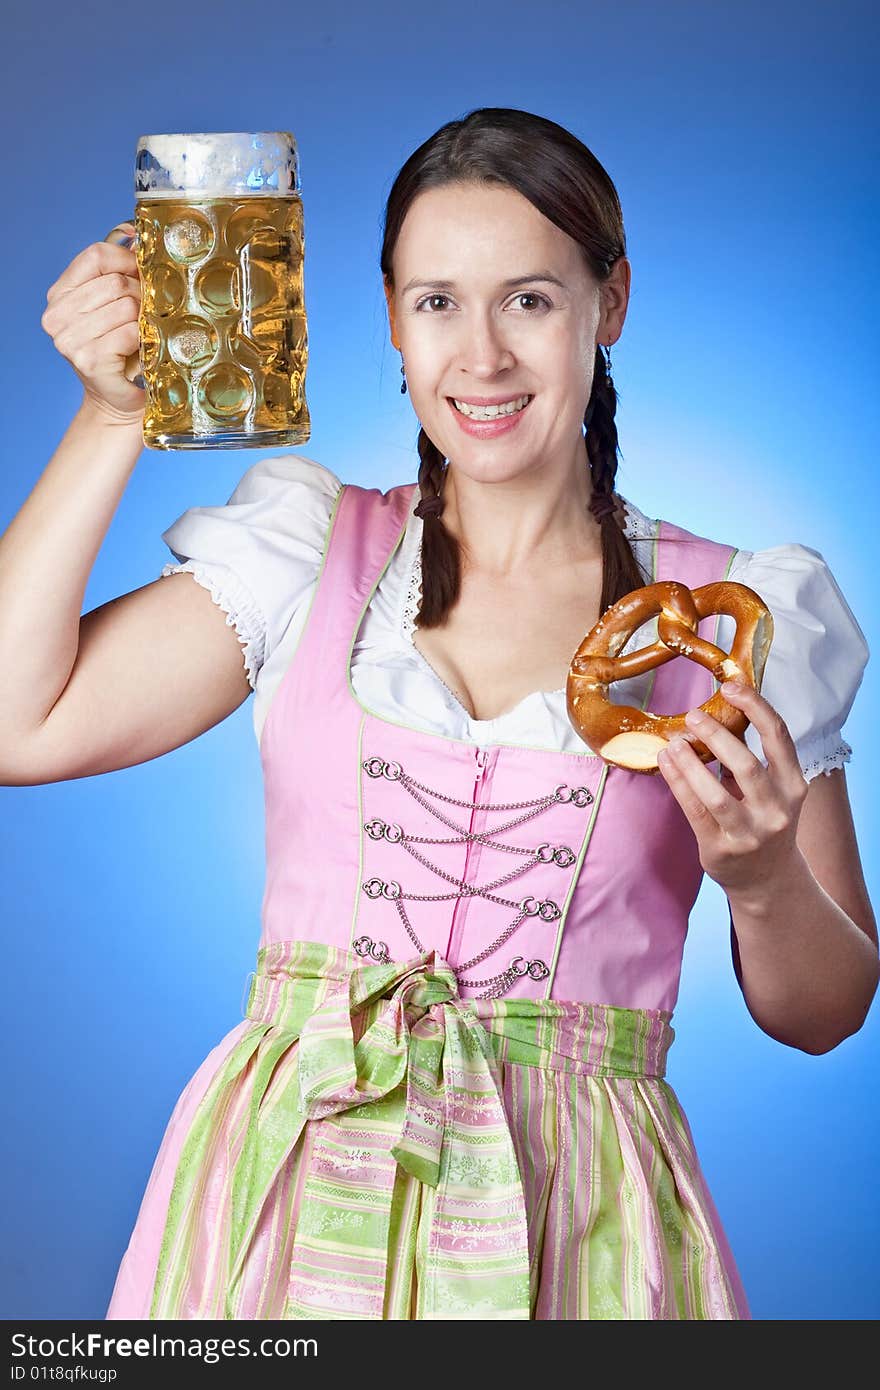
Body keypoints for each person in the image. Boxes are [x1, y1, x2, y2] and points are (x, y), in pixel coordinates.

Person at [4, 107, 876, 1321]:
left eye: (528, 299)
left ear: (607, 305)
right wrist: (112, 415)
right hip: (281, 1196)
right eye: (436, 303)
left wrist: (767, 876)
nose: (481, 358)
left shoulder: (732, 622)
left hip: (584, 1217)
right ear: (390, 317)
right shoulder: (307, 556)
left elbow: (826, 1012)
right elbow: (17, 723)